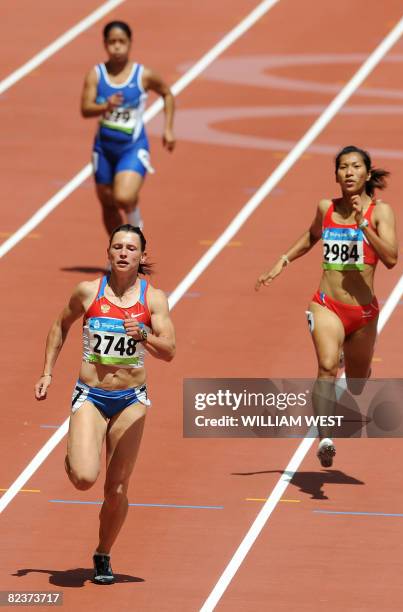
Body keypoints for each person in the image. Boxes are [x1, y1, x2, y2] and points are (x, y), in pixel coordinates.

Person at [34, 224, 176, 584]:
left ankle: (103, 553)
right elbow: (59, 326)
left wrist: (142, 334)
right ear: (109, 253)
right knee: (84, 478)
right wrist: (48, 372)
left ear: (142, 256)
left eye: (131, 248)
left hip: (131, 399)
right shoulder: (87, 292)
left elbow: (169, 351)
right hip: (92, 395)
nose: (124, 253)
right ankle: (75, 454)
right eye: (118, 247)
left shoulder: (153, 298)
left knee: (116, 488)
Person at [255, 145, 398, 467]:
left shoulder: (381, 212)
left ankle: (353, 362)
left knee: (358, 383)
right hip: (326, 304)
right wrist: (283, 260)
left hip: (362, 313)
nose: (349, 172)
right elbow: (311, 236)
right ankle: (326, 436)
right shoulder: (326, 208)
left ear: (367, 173)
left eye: (356, 166)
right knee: (327, 366)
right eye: (343, 167)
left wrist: (364, 226)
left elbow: (390, 258)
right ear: (336, 175)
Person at [81, 20, 176, 234]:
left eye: (121, 42)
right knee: (107, 202)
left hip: (132, 147)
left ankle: (136, 225)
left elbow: (167, 94)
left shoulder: (143, 75)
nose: (117, 47)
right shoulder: (96, 75)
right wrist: (105, 105)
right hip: (103, 149)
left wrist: (168, 129)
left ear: (130, 43)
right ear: (105, 44)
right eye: (112, 42)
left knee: (123, 197)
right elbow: (85, 109)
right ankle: (116, 251)